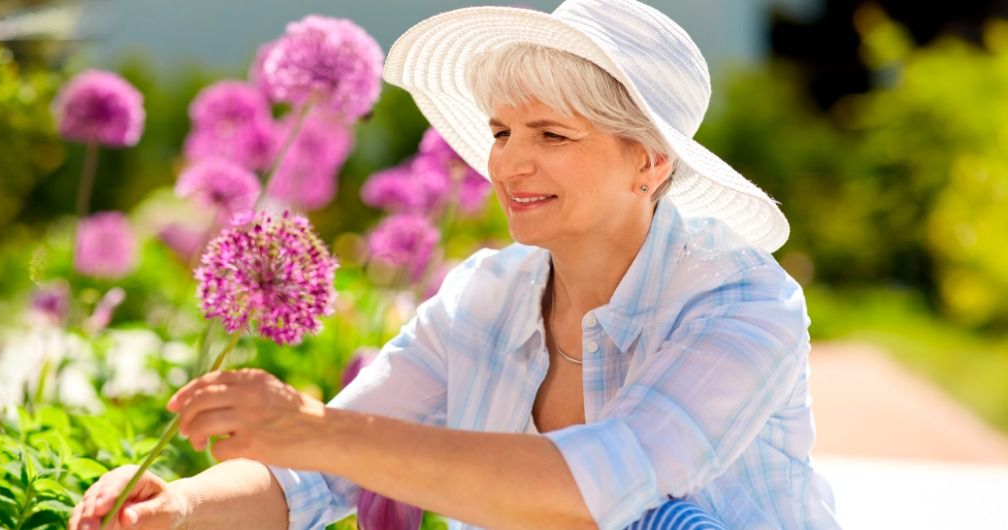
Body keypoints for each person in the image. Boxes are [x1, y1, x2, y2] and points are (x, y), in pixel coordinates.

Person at [69, 0, 840, 528]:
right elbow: (316, 476)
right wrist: (180, 507)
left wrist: (312, 428)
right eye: (504, 132)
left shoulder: (742, 304)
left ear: (647, 162)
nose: (510, 165)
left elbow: (598, 489)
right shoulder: (485, 298)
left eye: (552, 135)